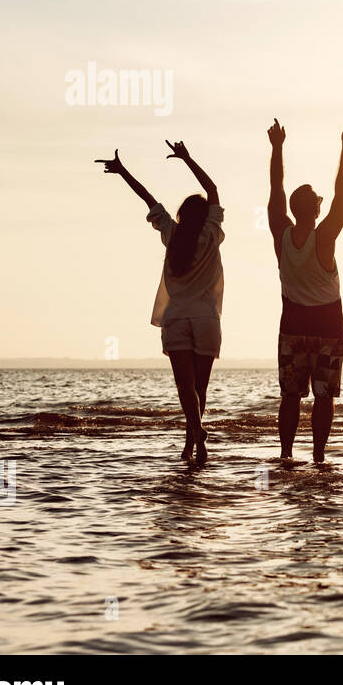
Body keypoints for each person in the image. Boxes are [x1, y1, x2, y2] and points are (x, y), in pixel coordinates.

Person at [97, 142, 224, 464]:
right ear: (206, 215)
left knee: (185, 387)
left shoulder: (173, 234)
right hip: (207, 320)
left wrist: (123, 171)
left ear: (181, 215)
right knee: (200, 390)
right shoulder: (211, 233)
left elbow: (148, 198)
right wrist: (188, 159)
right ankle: (195, 441)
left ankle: (194, 438)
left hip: (178, 319)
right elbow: (213, 188)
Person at [267, 118, 343, 463]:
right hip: (328, 328)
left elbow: (276, 188)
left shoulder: (280, 233)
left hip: (292, 326)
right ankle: (318, 456)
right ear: (316, 210)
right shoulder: (325, 237)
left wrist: (277, 148)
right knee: (322, 396)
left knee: (290, 396)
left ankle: (287, 454)